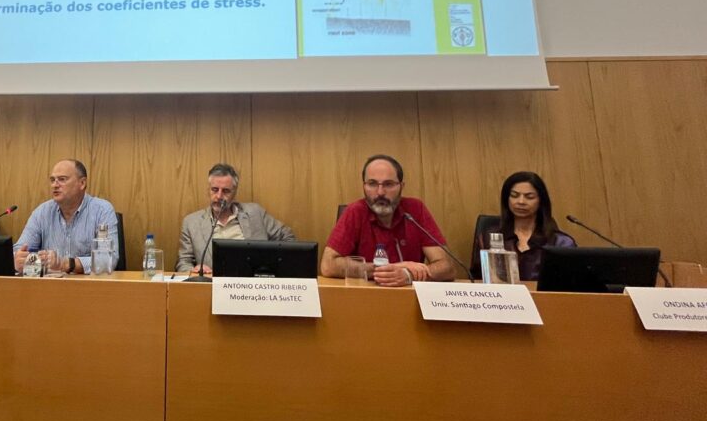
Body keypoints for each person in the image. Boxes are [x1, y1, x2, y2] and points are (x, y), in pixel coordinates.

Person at [321, 154, 454, 286]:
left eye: (388, 184)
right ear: (364, 186)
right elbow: (328, 265)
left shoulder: (415, 209)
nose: (380, 192)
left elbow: (447, 267)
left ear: (401, 186)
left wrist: (408, 274)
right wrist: (387, 270)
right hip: (365, 296)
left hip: (408, 296)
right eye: (372, 184)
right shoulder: (355, 211)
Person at [177, 162, 294, 276]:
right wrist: (195, 270)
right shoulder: (192, 222)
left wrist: (272, 267)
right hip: (212, 286)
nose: (219, 196)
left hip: (253, 286)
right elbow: (183, 262)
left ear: (235, 193)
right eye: (214, 189)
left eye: (226, 191)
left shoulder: (255, 213)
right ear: (208, 190)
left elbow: (288, 238)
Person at [13, 159, 118, 274]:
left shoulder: (102, 210)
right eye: (52, 180)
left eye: (62, 179)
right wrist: (18, 259)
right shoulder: (42, 212)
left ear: (82, 183)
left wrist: (66, 264)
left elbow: (108, 259)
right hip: (49, 287)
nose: (55, 185)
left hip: (88, 287)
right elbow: (19, 249)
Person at [473, 171, 577, 281]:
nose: (521, 201)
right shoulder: (487, 238)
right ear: (506, 199)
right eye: (514, 195)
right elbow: (476, 279)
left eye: (529, 197)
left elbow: (570, 285)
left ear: (541, 201)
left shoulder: (561, 243)